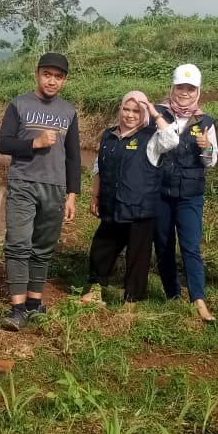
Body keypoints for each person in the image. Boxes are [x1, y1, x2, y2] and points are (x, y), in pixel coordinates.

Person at [0, 52, 81, 331]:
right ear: (37, 74)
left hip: (55, 187)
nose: (52, 81)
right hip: (23, 182)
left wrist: (72, 195)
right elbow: (3, 143)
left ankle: (34, 303)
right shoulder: (19, 104)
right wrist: (34, 143)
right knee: (18, 244)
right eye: (47, 75)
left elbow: (73, 157)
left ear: (64, 80)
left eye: (58, 77)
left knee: (43, 248)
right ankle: (17, 309)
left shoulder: (69, 112)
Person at [82, 90, 177, 305]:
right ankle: (95, 290)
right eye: (126, 109)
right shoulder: (109, 135)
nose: (130, 115)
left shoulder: (152, 137)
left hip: (140, 208)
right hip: (112, 204)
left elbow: (172, 140)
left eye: (136, 111)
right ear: (120, 109)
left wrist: (154, 113)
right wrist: (95, 195)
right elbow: (99, 165)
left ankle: (132, 300)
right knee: (101, 248)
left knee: (137, 256)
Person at [152, 63, 218, 321]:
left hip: (191, 194)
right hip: (160, 192)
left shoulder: (205, 121)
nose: (185, 93)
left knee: (191, 246)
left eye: (190, 89)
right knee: (164, 245)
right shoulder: (157, 114)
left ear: (198, 91)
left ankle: (199, 300)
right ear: (173, 87)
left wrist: (206, 147)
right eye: (180, 87)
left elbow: (210, 162)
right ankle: (172, 294)